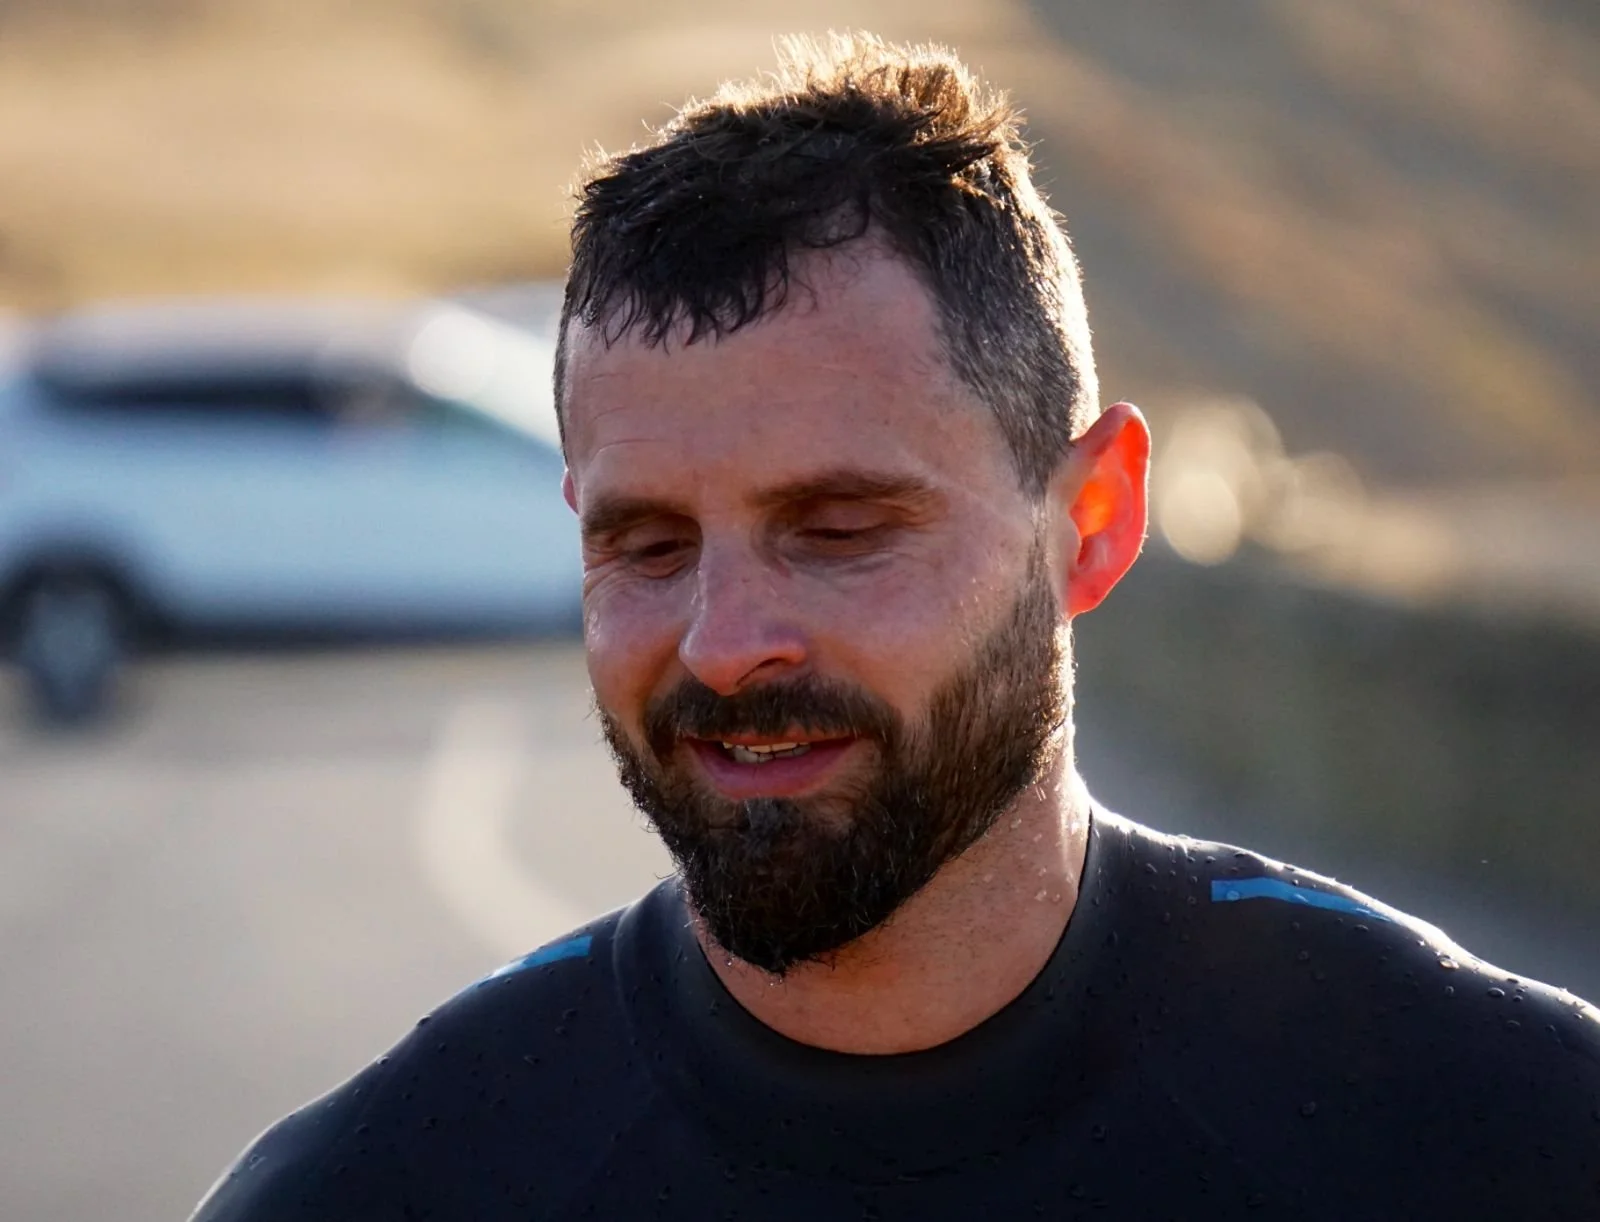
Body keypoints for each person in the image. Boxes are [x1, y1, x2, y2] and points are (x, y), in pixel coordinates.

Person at [191, 33, 1600, 1220]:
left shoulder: (1499, 1133)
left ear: (1093, 519)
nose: (724, 643)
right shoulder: (381, 1186)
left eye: (839, 527)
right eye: (649, 543)